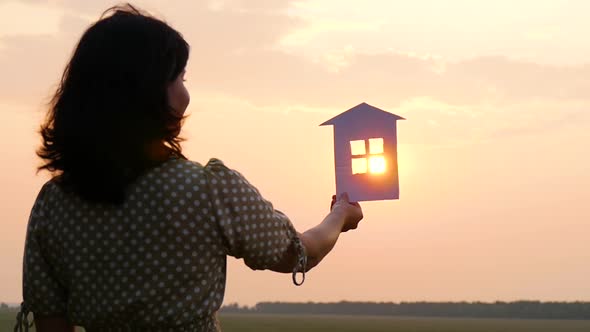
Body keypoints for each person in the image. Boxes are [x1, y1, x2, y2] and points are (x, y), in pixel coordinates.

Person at [15, 4, 363, 332]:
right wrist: (339, 216)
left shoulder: (53, 205)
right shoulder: (206, 190)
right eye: (180, 79)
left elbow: (51, 324)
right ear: (148, 92)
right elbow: (300, 252)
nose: (186, 95)